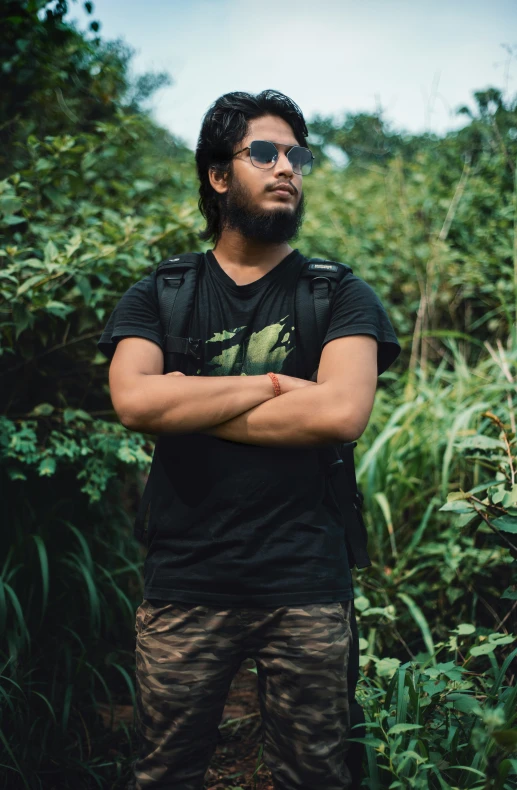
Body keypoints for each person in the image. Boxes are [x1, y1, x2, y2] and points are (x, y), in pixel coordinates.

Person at [99, 89, 401, 790]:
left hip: (305, 580)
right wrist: (273, 386)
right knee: (165, 772)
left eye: (297, 154)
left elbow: (336, 416)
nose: (285, 167)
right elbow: (136, 401)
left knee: (315, 774)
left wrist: (189, 399)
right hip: (185, 577)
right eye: (262, 152)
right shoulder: (159, 293)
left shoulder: (339, 295)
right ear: (216, 175)